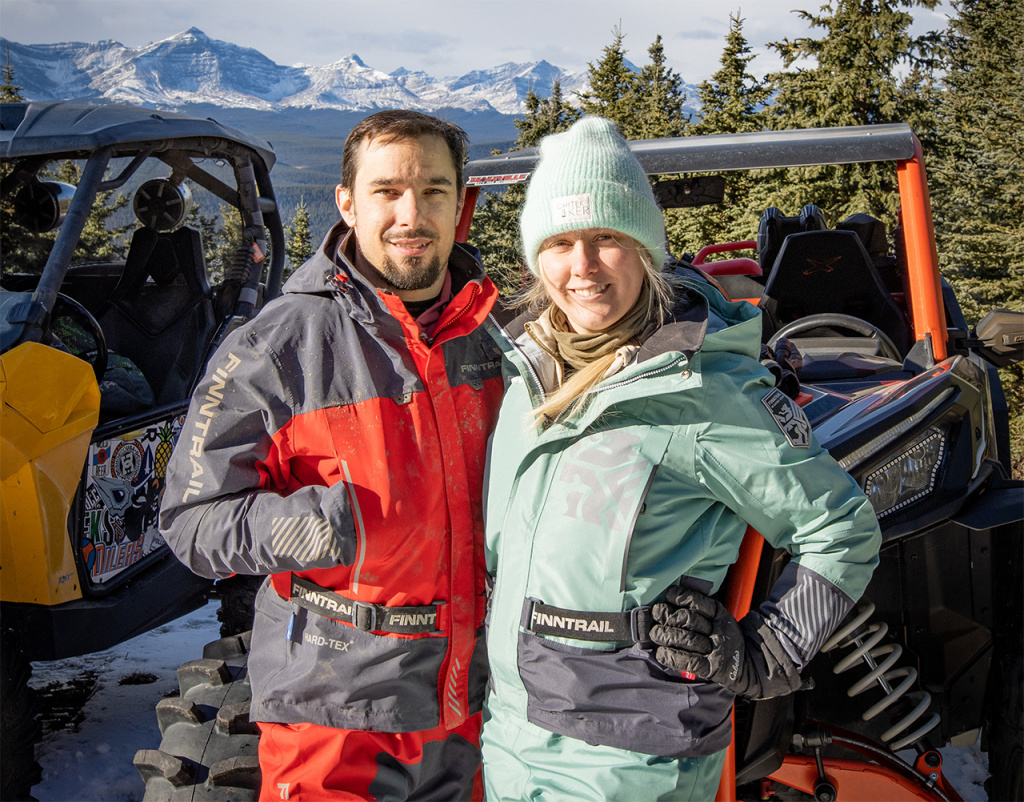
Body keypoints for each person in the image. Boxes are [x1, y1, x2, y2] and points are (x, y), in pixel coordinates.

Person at [479, 116, 882, 800]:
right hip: (514, 743)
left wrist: (774, 646)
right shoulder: (526, 380)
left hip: (632, 761)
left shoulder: (704, 391)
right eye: (560, 242)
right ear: (535, 257)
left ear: (644, 249)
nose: (582, 267)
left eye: (607, 238)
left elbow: (840, 527)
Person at [160, 110, 505, 801]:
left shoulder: (493, 340)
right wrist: (316, 526)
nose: (413, 213)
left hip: (477, 708)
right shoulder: (276, 347)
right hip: (335, 713)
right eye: (388, 191)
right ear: (347, 203)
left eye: (434, 191)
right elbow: (190, 521)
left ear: (460, 208)